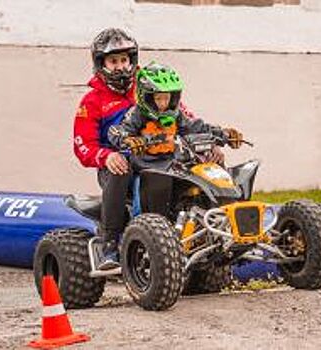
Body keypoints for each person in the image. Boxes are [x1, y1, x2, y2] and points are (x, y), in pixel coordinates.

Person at [73, 28, 227, 270]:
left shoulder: (153, 89)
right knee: (119, 170)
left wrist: (210, 144)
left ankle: (218, 229)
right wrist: (107, 155)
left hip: (162, 158)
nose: (120, 67)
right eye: (113, 61)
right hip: (120, 162)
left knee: (206, 163)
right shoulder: (92, 101)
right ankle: (110, 244)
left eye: (124, 60)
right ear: (101, 64)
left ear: (132, 60)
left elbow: (186, 120)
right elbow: (82, 145)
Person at [107, 61, 243, 228]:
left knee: (207, 172)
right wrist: (127, 139)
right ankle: (138, 230)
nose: (163, 103)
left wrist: (224, 134)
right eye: (158, 98)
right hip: (146, 170)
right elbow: (115, 131)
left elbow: (197, 127)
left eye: (167, 98)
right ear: (146, 97)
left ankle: (222, 217)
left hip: (174, 167)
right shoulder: (136, 115)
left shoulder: (177, 115)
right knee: (144, 206)